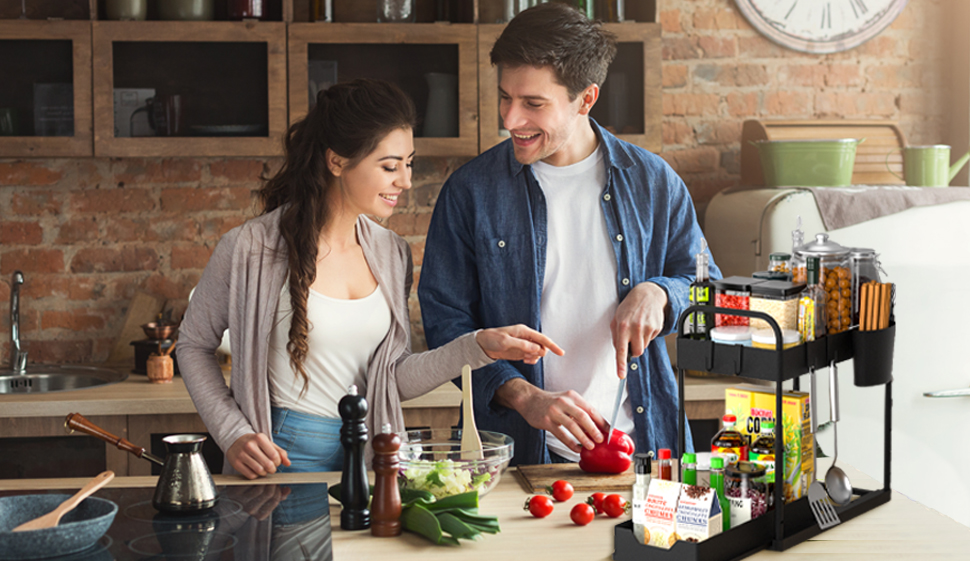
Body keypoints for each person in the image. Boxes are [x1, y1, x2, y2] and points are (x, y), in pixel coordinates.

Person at [178, 79, 562, 479]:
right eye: (389, 166)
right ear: (337, 162)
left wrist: (478, 346)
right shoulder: (249, 248)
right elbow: (193, 345)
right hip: (283, 457)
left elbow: (391, 378)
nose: (406, 181)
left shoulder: (391, 253)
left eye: (408, 164)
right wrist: (232, 432)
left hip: (371, 457)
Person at [417, 4, 721, 466]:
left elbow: (709, 290)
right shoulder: (471, 192)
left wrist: (659, 293)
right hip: (518, 457)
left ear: (586, 99)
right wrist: (523, 395)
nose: (510, 119)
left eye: (534, 104)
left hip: (644, 451)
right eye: (505, 97)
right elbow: (446, 324)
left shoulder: (653, 182)